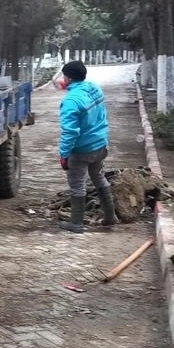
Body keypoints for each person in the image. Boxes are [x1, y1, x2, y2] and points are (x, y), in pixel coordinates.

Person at [57, 60, 118, 233]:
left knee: (78, 185)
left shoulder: (71, 101)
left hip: (81, 151)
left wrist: (64, 155)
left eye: (64, 75)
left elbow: (70, 132)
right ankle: (110, 216)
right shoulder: (94, 88)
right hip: (100, 145)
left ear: (68, 77)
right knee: (98, 177)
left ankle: (76, 223)